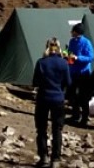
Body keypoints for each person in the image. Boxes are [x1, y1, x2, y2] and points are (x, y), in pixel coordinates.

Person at [33, 37, 71, 168]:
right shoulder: (63, 63)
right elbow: (68, 82)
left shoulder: (41, 63)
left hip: (43, 98)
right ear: (59, 48)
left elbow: (35, 82)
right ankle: (55, 159)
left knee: (41, 129)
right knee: (57, 130)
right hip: (58, 99)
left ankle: (43, 157)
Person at [65, 23, 94, 126]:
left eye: (72, 31)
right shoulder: (72, 41)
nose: (71, 33)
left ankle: (85, 118)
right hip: (73, 71)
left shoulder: (86, 43)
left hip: (83, 73)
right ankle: (75, 115)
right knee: (72, 94)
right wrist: (67, 55)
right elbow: (69, 53)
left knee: (83, 96)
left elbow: (91, 57)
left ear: (76, 32)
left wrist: (78, 58)